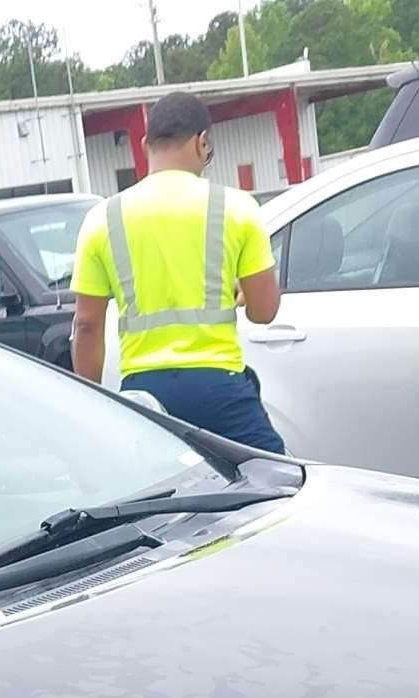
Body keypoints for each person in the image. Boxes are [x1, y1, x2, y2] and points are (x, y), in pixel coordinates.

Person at [71, 90, 286, 453]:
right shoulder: (237, 207)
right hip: (221, 388)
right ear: (203, 143)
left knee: (150, 499)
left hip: (144, 393)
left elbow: (87, 326)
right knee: (277, 482)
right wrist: (245, 294)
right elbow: (264, 311)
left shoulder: (102, 219)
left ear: (144, 145)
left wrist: (90, 403)